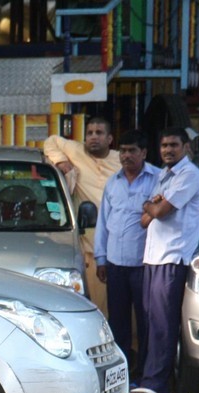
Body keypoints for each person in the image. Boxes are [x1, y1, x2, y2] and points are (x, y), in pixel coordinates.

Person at [130, 127, 199, 393]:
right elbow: (145, 216)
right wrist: (153, 206)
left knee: (163, 323)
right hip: (153, 257)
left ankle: (157, 384)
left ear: (185, 147)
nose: (168, 150)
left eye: (174, 145)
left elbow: (159, 212)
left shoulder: (189, 175)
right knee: (150, 321)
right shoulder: (164, 176)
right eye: (164, 146)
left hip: (173, 257)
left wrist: (153, 205)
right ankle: (147, 379)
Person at [94, 129, 161, 377]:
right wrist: (101, 258)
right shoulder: (113, 182)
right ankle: (121, 376)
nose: (126, 155)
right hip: (115, 264)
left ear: (143, 153)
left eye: (132, 150)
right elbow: (103, 223)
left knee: (146, 322)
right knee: (118, 323)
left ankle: (145, 373)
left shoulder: (157, 178)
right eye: (123, 150)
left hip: (145, 264)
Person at [44, 117, 122, 307]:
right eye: (89, 133)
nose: (93, 137)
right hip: (90, 244)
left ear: (110, 139)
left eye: (99, 133)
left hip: (121, 241)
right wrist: (62, 162)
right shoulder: (76, 151)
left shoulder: (121, 160)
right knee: (97, 303)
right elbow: (51, 141)